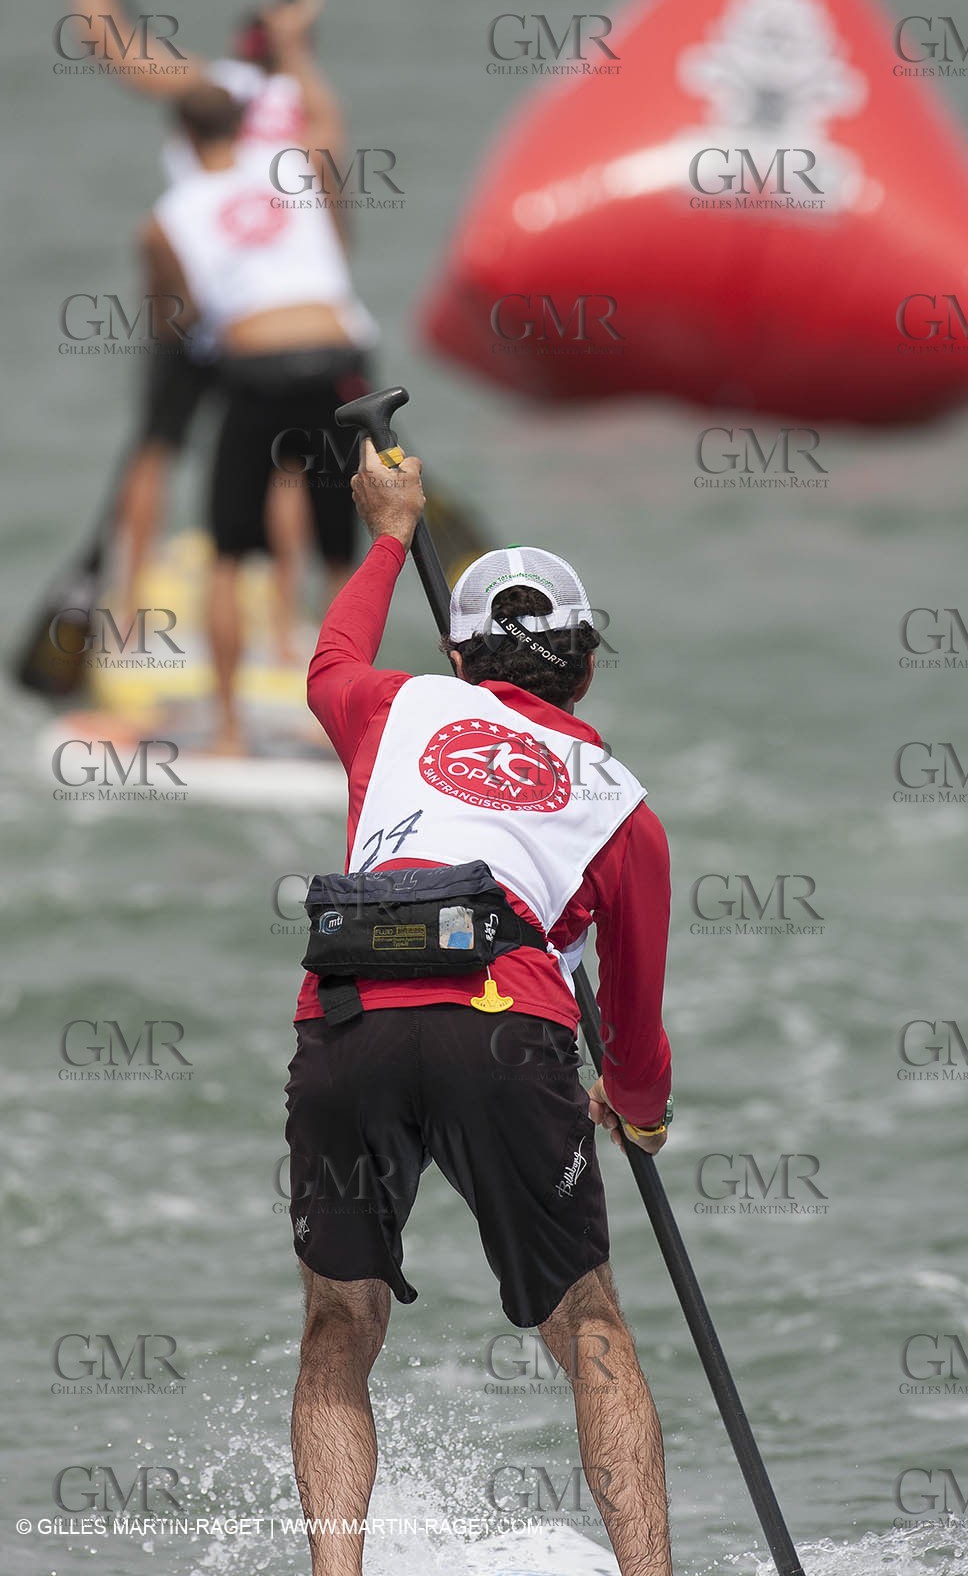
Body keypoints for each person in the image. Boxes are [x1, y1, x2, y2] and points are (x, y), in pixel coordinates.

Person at [286, 441, 675, 1576]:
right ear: (585, 671)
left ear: (458, 657)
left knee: (337, 1327)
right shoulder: (620, 807)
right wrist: (637, 1112)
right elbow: (637, 1029)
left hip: (344, 1017)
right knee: (589, 1325)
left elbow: (330, 652)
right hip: (504, 1031)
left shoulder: (392, 706)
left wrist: (391, 530)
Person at [71, 0, 338, 636]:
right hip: (296, 308)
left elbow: (113, 45)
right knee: (292, 460)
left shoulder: (212, 88)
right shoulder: (305, 101)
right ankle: (285, 621)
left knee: (156, 445)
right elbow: (335, 197)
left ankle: (129, 607)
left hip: (203, 295)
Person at [143, 76, 378, 752]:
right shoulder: (296, 166)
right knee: (342, 557)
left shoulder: (167, 216)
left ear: (182, 138)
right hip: (339, 357)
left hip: (256, 372)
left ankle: (226, 731)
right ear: (247, 125)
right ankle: (344, 728)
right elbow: (330, 125)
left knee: (227, 556)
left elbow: (177, 320)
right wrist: (298, 50)